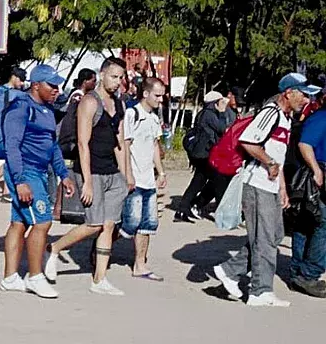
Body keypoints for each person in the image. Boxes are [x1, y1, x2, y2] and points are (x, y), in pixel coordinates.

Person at [213, 73, 320, 307]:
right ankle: (260, 291)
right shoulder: (270, 112)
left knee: (273, 235)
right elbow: (248, 141)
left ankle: (230, 271)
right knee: (265, 239)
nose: (307, 100)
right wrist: (269, 163)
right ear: (288, 93)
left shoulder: (285, 117)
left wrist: (282, 186)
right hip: (257, 183)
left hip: (270, 185)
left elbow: (277, 155)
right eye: (303, 95)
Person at [44, 57, 129, 296]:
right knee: (94, 224)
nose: (118, 82)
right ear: (102, 75)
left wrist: (125, 175)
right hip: (92, 171)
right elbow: (82, 143)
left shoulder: (119, 104)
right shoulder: (90, 102)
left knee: (108, 226)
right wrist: (88, 181)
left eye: (121, 77)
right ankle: (55, 247)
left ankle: (99, 279)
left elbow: (119, 141)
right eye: (114, 76)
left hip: (113, 173)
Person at [0, 65, 75, 299]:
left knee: (19, 223)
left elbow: (52, 146)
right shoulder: (21, 108)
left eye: (57, 85)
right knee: (42, 222)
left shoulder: (48, 110)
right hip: (25, 172)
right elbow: (11, 146)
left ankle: (10, 277)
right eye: (51, 85)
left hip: (40, 172)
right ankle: (35, 276)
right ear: (35, 85)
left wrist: (63, 174)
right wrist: (20, 181)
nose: (56, 90)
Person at [121, 78, 168, 281]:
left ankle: (140, 264)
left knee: (147, 224)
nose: (161, 99)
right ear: (146, 94)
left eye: (162, 95)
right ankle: (101, 248)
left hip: (149, 179)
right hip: (134, 179)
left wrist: (161, 172)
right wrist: (128, 174)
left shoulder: (154, 118)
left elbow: (155, 146)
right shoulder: (133, 114)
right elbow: (125, 144)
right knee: (129, 223)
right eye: (157, 95)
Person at [175, 91, 230, 223]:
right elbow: (223, 129)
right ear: (215, 103)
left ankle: (183, 209)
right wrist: (222, 112)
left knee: (198, 181)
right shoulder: (209, 114)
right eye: (220, 102)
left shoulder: (204, 113)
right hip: (205, 154)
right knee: (218, 181)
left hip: (202, 154)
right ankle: (216, 210)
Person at [289, 105, 326, 298]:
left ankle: (298, 273)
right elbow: (305, 144)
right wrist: (316, 170)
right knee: (321, 225)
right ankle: (309, 274)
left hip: (316, 176)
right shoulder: (321, 118)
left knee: (307, 223)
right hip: (318, 177)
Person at [0, 67, 27, 201]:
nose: (23, 83)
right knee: (12, 158)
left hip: (12, 130)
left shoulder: (13, 92)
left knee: (11, 159)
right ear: (14, 77)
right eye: (21, 79)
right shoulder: (4, 93)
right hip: (6, 131)